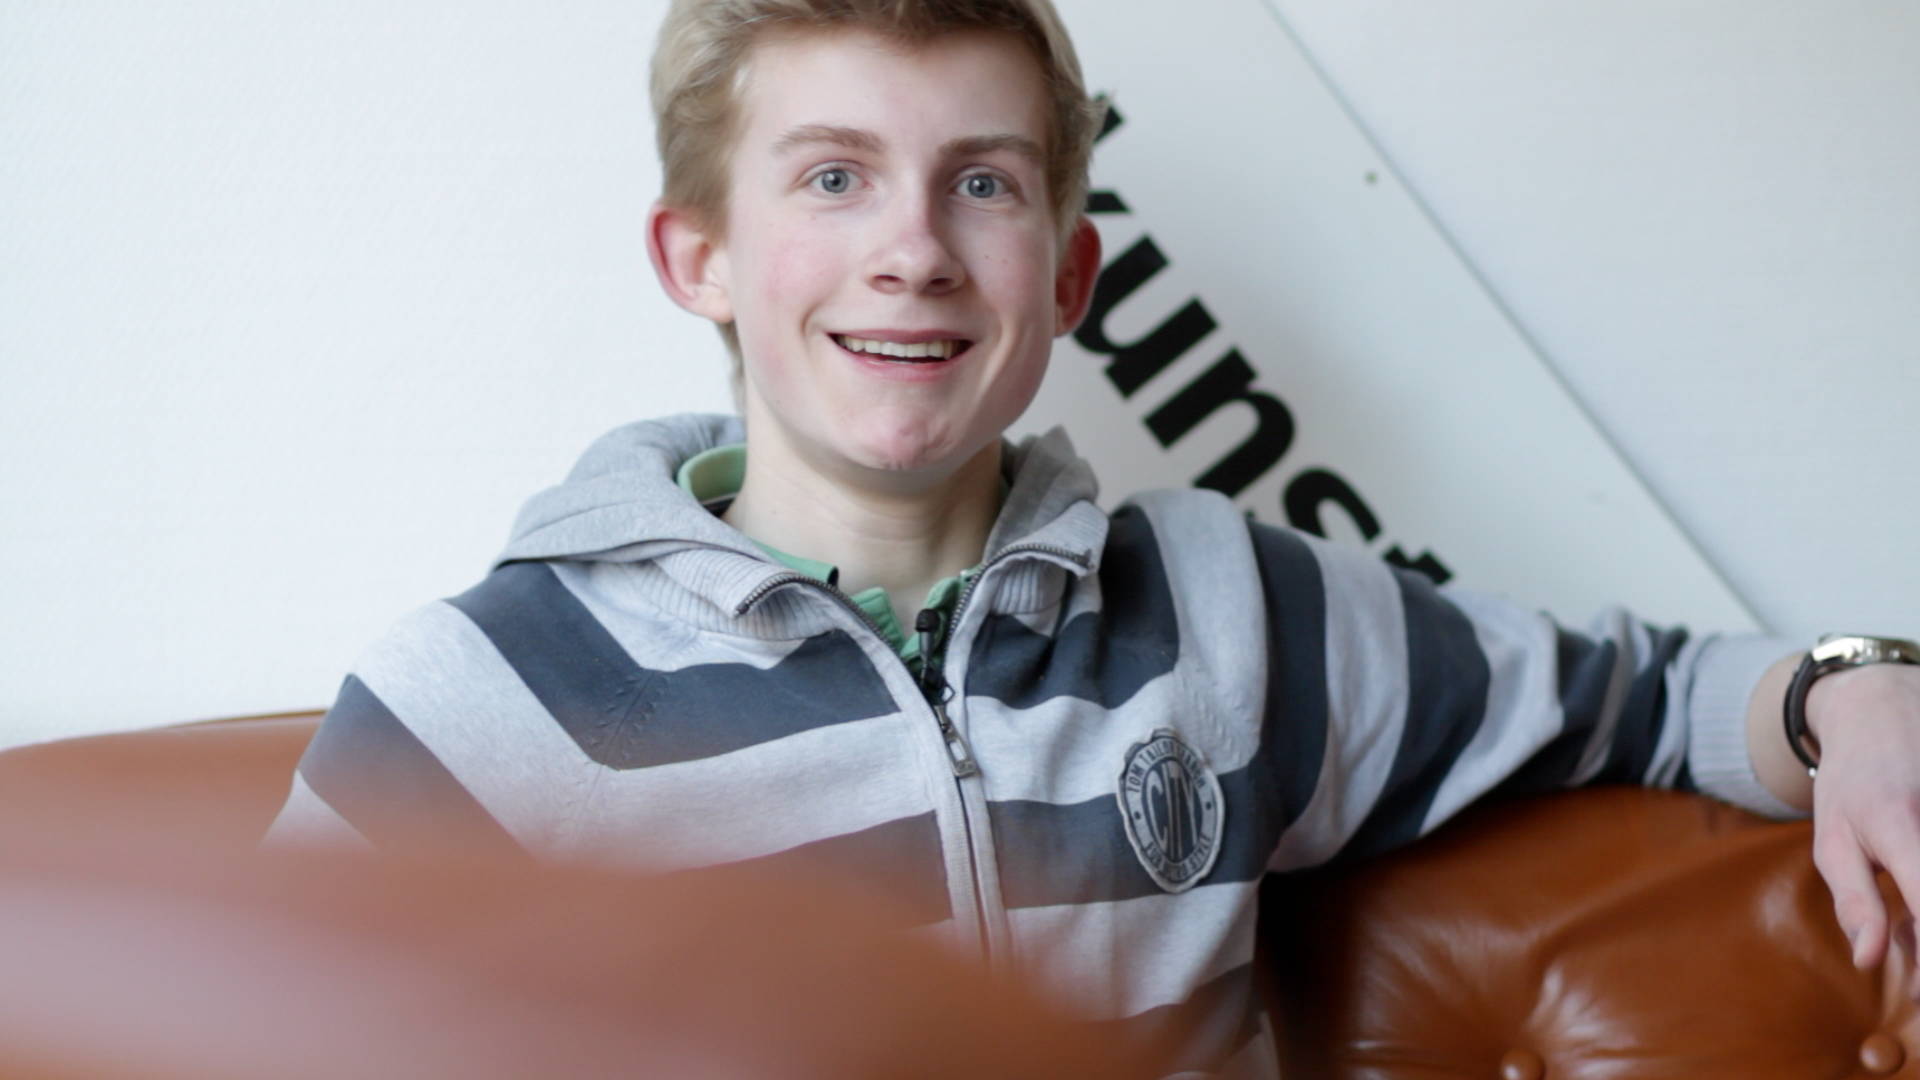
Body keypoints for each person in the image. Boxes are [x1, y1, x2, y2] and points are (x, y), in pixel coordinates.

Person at [267, 0, 1920, 1074]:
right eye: (834, 179)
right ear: (696, 257)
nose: (914, 250)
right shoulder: (483, 700)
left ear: (1068, 277)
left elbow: (1661, 694)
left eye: (982, 183)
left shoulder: (1234, 611)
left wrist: (1862, 690)